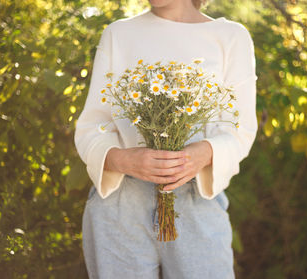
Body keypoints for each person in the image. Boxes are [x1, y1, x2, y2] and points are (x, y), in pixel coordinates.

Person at [74, 0, 258, 278]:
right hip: (119, 205)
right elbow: (92, 126)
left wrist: (203, 154)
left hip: (197, 200)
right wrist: (124, 160)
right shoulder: (118, 34)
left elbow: (241, 130)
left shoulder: (231, 37)